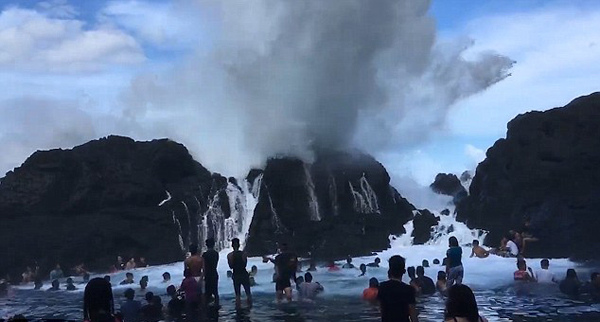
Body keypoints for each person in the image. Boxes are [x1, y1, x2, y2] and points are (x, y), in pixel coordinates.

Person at [377, 255, 418, 322]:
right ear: (404, 271)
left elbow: (381, 311)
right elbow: (413, 315)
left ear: (390, 270)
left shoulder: (382, 287)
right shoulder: (408, 289)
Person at [227, 238, 252, 307]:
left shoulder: (230, 255)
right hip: (244, 274)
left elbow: (231, 266)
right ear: (239, 245)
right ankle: (250, 308)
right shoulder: (243, 254)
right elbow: (245, 264)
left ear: (232, 245)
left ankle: (238, 310)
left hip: (236, 275)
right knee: (248, 293)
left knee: (237, 295)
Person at [202, 238, 220, 306]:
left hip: (208, 274)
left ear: (206, 245)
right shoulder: (216, 253)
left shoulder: (205, 254)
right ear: (214, 244)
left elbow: (204, 266)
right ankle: (217, 305)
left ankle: (206, 308)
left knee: (207, 293)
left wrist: (202, 277)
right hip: (214, 273)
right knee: (215, 292)